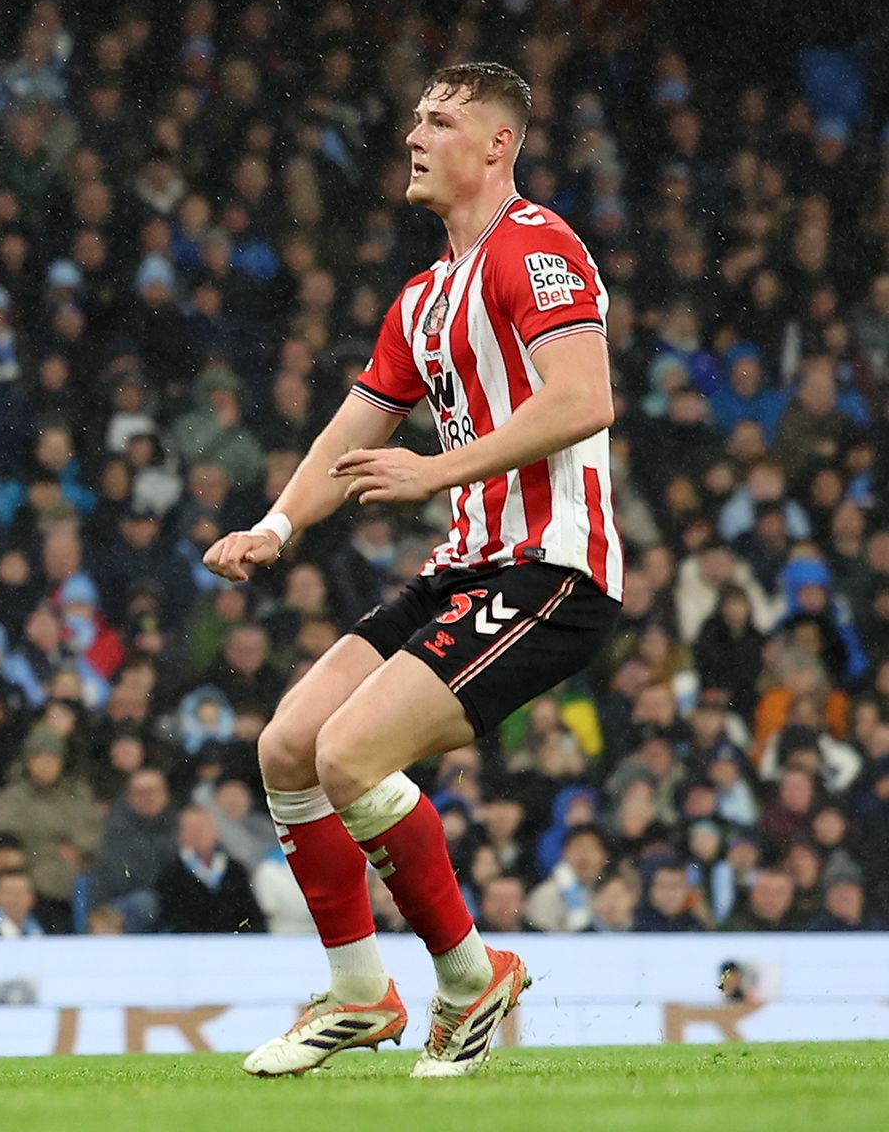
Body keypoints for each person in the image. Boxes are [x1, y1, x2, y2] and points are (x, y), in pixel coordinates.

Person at [214, 63, 618, 1080]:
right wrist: (276, 524)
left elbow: (582, 398)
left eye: (441, 119)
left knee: (351, 752)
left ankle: (472, 975)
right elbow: (353, 430)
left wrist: (435, 468)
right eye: (415, 116)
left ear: (497, 144)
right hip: (465, 566)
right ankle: (360, 995)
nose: (414, 134)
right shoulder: (426, 296)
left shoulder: (542, 246)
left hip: (549, 568)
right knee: (289, 744)